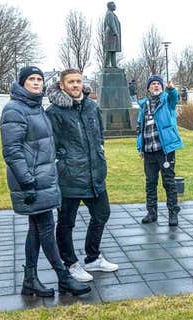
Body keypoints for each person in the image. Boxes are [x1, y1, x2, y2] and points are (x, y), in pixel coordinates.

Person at [1, 66, 90, 298]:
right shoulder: (14, 109)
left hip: (43, 179)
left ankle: (30, 279)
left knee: (36, 229)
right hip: (31, 181)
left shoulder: (35, 107)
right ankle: (64, 278)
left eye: (39, 79)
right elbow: (12, 150)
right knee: (46, 228)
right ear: (22, 83)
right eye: (31, 79)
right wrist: (27, 180)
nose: (37, 83)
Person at [46, 69, 119, 284]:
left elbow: (99, 134)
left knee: (102, 213)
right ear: (62, 85)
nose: (76, 85)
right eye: (71, 82)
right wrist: (63, 163)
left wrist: (100, 152)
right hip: (70, 176)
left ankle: (93, 257)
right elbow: (51, 144)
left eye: (78, 81)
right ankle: (70, 264)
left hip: (94, 173)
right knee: (67, 222)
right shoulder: (54, 112)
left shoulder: (91, 106)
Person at [135, 75, 183, 226]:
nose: (156, 86)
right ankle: (151, 212)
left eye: (158, 84)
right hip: (149, 150)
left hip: (165, 150)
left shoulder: (167, 101)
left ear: (162, 87)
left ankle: (173, 213)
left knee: (169, 182)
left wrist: (172, 89)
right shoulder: (143, 105)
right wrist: (140, 147)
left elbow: (175, 98)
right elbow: (140, 128)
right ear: (148, 88)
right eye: (153, 84)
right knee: (150, 182)